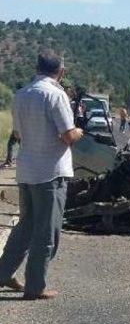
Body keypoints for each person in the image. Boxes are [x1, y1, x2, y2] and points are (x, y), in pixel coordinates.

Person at [0, 50, 83, 299]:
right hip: (51, 172)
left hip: (27, 169)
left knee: (25, 226)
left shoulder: (21, 94)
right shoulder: (56, 95)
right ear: (61, 71)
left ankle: (3, 273)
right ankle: (36, 286)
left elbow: (17, 134)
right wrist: (79, 130)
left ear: (37, 68)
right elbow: (68, 136)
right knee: (47, 232)